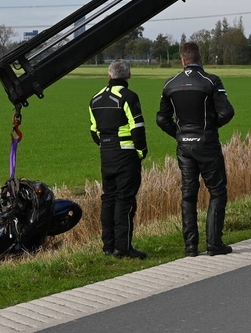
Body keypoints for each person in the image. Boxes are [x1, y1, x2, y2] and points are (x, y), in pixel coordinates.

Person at [157, 41, 235, 256]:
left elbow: (162, 118)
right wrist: (210, 127)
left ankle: (190, 246)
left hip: (185, 146)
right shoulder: (211, 81)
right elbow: (227, 112)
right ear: (200, 59)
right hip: (206, 143)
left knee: (188, 194)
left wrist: (179, 133)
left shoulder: (170, 84)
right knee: (217, 191)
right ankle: (214, 244)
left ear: (183, 60)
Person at [89, 59, 148, 259]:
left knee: (108, 198)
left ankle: (108, 246)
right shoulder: (129, 97)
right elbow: (137, 128)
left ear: (109, 76)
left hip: (106, 154)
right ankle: (123, 248)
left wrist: (107, 145)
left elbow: (94, 132)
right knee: (125, 200)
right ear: (128, 76)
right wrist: (141, 151)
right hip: (126, 153)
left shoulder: (95, 99)